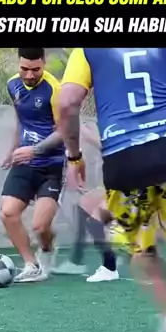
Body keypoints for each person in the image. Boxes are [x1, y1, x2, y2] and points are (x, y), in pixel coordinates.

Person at [57, 48, 166, 332]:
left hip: (123, 160)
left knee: (142, 248)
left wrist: (74, 155)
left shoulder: (86, 49)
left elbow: (67, 102)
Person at [1, 48, 65, 283]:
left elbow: (65, 131)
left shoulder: (55, 90)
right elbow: (21, 120)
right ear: (18, 64)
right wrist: (12, 150)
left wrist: (35, 150)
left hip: (52, 165)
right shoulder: (12, 85)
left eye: (35, 69)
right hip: (24, 162)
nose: (29, 75)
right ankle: (31, 264)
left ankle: (47, 247)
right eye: (24, 69)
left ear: (44, 63)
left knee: (40, 227)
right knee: (8, 213)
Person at [52, 120, 120, 282]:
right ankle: (76, 260)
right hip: (120, 178)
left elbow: (109, 147)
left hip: (133, 180)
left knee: (95, 219)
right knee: (85, 204)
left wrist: (85, 133)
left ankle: (111, 265)